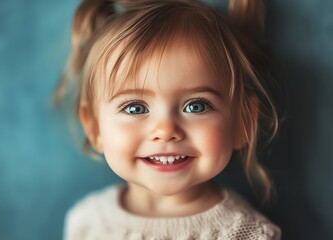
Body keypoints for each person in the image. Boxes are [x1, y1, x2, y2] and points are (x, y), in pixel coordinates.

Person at [55, 0, 281, 239]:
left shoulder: (251, 235)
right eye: (135, 108)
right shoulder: (86, 223)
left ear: (243, 122)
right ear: (94, 127)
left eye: (196, 106)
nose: (166, 130)